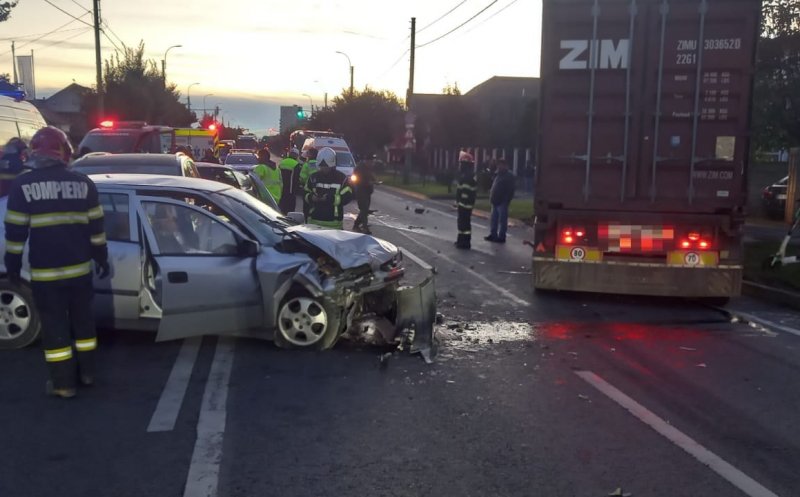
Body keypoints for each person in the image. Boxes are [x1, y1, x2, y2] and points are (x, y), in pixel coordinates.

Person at [4, 126, 109, 398]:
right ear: (65, 152)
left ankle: (63, 385)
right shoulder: (84, 184)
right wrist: (102, 257)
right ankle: (87, 374)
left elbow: (15, 233)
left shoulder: (23, 186)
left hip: (46, 275)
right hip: (80, 271)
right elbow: (97, 228)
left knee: (55, 328)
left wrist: (12, 266)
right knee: (83, 325)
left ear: (34, 153)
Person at [305, 147, 352, 229]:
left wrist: (329, 199)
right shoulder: (313, 177)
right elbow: (305, 193)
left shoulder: (341, 178)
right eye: (322, 166)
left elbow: (347, 197)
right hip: (313, 222)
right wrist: (311, 197)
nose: (324, 168)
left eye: (326, 166)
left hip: (334, 223)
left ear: (332, 165)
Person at [485, 159, 516, 244]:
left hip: (502, 201)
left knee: (502, 220)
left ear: (505, 165)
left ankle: (502, 236)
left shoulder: (509, 176)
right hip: (495, 201)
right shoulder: (498, 174)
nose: (499, 166)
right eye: (498, 165)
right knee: (493, 219)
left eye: (501, 165)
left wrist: (506, 200)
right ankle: (493, 234)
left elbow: (511, 190)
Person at [454, 152, 477, 249]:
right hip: (465, 205)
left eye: (461, 164)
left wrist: (460, 203)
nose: (460, 166)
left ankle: (464, 242)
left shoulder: (467, 177)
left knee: (464, 224)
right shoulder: (467, 175)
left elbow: (465, 193)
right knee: (463, 224)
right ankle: (461, 240)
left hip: (465, 205)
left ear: (465, 164)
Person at [352, 159, 376, 233]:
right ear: (366, 161)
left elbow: (371, 176)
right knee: (364, 209)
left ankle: (356, 225)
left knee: (364, 209)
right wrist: (367, 183)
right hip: (361, 191)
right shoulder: (359, 168)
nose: (372, 163)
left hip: (368, 191)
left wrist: (374, 181)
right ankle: (365, 227)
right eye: (371, 161)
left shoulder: (368, 168)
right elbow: (356, 180)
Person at [278, 147, 302, 213]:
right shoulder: (296, 164)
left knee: (282, 209)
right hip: (291, 191)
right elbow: (298, 178)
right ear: (297, 155)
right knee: (290, 210)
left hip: (281, 189)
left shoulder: (282, 162)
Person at [299, 147, 319, 221]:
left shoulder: (306, 165)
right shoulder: (319, 165)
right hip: (319, 189)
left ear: (310, 155)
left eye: (308, 154)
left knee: (306, 209)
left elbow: (302, 177)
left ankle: (307, 222)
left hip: (308, 190)